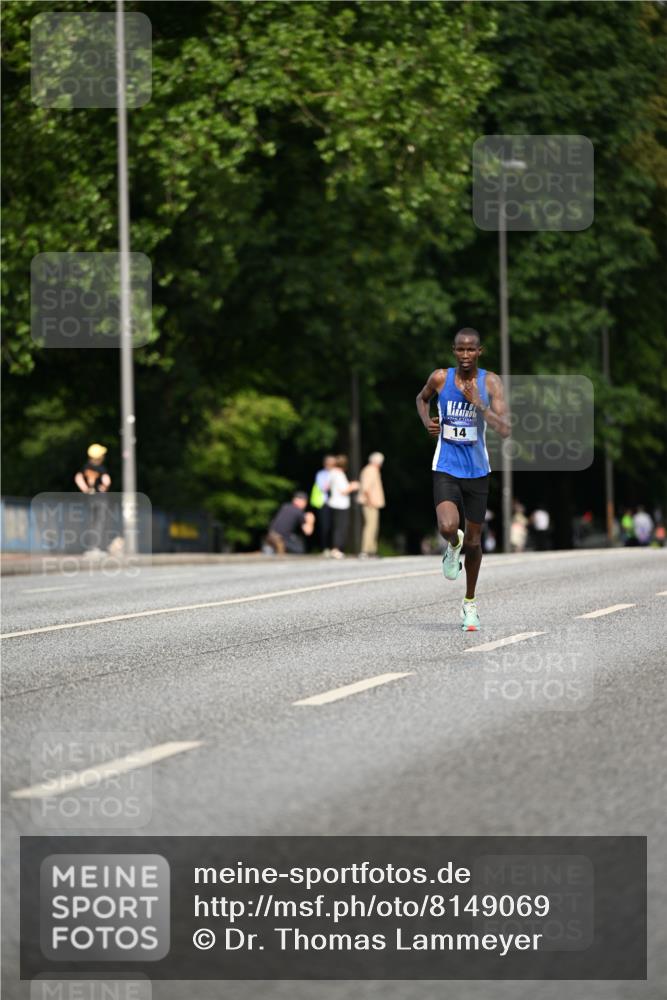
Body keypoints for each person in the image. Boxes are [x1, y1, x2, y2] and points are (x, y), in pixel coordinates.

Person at [416, 327, 509, 631]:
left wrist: (479, 404)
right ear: (453, 350)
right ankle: (450, 543)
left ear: (479, 351)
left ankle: (470, 604)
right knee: (447, 526)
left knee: (474, 541)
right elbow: (422, 398)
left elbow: (505, 428)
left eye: (471, 350)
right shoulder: (440, 378)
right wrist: (426, 421)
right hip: (445, 465)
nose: (466, 355)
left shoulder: (490, 382)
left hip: (478, 471)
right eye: (460, 349)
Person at [74, 443, 111, 555]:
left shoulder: (86, 467)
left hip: (89, 498)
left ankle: (89, 547)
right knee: (99, 522)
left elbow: (78, 477)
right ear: (99, 457)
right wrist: (105, 486)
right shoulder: (101, 468)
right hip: (100, 497)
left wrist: (85, 489)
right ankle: (95, 548)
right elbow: (107, 480)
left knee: (90, 522)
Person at [328, 455, 360, 559]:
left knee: (336, 527)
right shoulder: (339, 474)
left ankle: (334, 548)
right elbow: (344, 490)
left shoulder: (332, 473)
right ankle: (336, 549)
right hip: (341, 504)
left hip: (333, 503)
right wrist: (353, 486)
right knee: (341, 528)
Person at [358, 452, 386, 558]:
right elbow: (366, 488)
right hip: (370, 503)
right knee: (370, 527)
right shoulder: (371, 470)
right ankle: (366, 550)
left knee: (373, 527)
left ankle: (371, 550)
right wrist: (370, 501)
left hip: (372, 503)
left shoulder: (372, 470)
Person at [310, 455, 335, 553]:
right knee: (325, 526)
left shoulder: (336, 473)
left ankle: (334, 547)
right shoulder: (321, 474)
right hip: (324, 503)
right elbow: (323, 488)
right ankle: (325, 547)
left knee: (334, 526)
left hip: (335, 503)